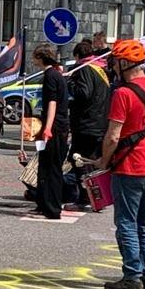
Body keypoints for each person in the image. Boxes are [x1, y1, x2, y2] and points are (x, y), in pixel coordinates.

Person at [95, 40, 145, 289]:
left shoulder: (122, 93)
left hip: (131, 163)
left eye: (115, 61)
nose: (113, 66)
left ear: (124, 63)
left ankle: (132, 277)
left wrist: (103, 161)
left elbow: (113, 136)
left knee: (126, 222)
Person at [66, 39, 111, 208]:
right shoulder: (100, 68)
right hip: (99, 122)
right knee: (93, 162)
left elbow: (83, 93)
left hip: (86, 124)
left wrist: (70, 82)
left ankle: (85, 198)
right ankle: (98, 198)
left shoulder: (84, 69)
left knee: (79, 161)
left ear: (77, 56)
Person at [30, 44, 70, 219]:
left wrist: (47, 127)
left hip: (54, 126)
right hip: (59, 125)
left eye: (35, 57)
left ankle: (52, 207)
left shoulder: (50, 76)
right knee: (45, 165)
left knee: (52, 167)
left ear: (40, 58)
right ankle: (43, 203)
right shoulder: (56, 73)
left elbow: (52, 102)